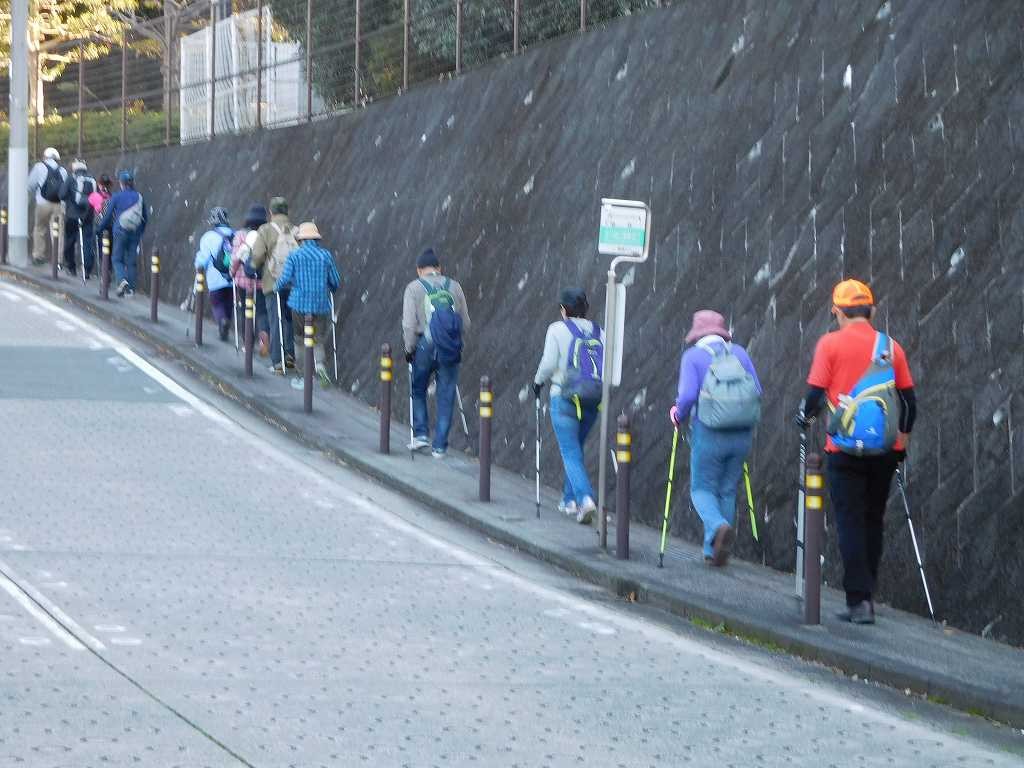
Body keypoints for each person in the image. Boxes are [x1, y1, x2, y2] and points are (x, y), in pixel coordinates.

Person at [797, 279, 916, 625]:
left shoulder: (829, 344)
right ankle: (867, 597)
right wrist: (902, 443)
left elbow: (815, 396)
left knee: (849, 521)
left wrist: (803, 418)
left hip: (844, 450)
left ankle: (858, 600)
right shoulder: (891, 348)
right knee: (872, 521)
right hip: (885, 450)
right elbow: (909, 403)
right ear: (872, 310)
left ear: (837, 311)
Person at [669, 310, 762, 566]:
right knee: (727, 489)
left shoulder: (693, 357)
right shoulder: (739, 353)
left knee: (701, 489)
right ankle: (714, 551)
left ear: (697, 333)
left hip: (709, 432)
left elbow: (687, 396)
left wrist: (678, 413)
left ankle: (717, 527)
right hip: (741, 433)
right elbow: (757, 389)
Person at [533, 289, 602, 524]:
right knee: (576, 450)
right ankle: (569, 500)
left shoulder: (557, 329)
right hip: (592, 399)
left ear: (564, 309)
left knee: (570, 452)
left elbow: (549, 362)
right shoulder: (599, 331)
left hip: (564, 397)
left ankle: (585, 500)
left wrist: (537, 381)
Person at [402, 248, 471, 459]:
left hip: (425, 344)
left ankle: (421, 434)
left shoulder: (414, 288)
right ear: (439, 268)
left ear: (419, 270)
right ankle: (440, 446)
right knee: (446, 394)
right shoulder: (455, 286)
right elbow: (465, 323)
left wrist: (409, 349)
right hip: (449, 347)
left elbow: (409, 324)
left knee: (419, 388)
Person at [275, 221, 340, 387]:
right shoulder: (326, 255)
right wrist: (329, 287)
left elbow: (285, 278)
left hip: (298, 304)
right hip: (320, 304)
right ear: (316, 239)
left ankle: (303, 376)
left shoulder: (294, 256)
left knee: (299, 339)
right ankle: (319, 366)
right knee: (316, 339)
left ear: (301, 240)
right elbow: (335, 281)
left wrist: (276, 287)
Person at [249, 197, 298, 374]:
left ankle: (278, 361)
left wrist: (254, 267)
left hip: (273, 281)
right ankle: (290, 354)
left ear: (271, 212)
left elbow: (257, 256)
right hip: (292, 283)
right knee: (288, 317)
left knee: (274, 319)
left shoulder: (266, 230)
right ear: (287, 211)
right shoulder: (295, 230)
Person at [96, 170, 146, 297]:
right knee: (131, 260)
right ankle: (131, 290)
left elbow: (107, 217)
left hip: (120, 230)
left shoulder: (117, 196)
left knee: (116, 258)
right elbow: (145, 217)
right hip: (134, 231)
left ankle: (122, 280)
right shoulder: (139, 197)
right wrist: (140, 231)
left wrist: (99, 230)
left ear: (121, 183)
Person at [229, 204, 271, 357]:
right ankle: (263, 336)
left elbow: (235, 258)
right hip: (261, 280)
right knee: (261, 311)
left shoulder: (240, 235)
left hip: (243, 280)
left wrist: (232, 272)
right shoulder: (266, 235)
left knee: (244, 310)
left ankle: (248, 343)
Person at [194, 207, 236, 341]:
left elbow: (202, 260)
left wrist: (199, 268)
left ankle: (222, 321)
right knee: (229, 302)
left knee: (217, 302)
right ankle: (226, 325)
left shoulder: (208, 237)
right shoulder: (234, 234)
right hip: (232, 277)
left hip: (215, 278)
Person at [26, 147, 68, 264]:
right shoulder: (63, 170)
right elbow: (65, 190)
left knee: (39, 229)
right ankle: (58, 260)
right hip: (59, 205)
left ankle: (38, 256)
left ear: (45, 157)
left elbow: (30, 185)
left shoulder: (39, 167)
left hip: (42, 203)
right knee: (58, 232)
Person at [58, 159, 97, 278]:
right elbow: (96, 198)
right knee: (87, 243)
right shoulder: (92, 180)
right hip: (88, 216)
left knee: (70, 241)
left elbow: (62, 195)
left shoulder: (71, 179)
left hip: (72, 216)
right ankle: (87, 270)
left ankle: (71, 267)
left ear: (75, 168)